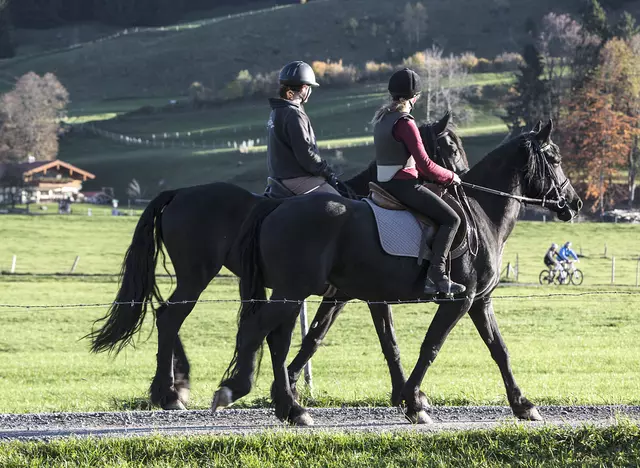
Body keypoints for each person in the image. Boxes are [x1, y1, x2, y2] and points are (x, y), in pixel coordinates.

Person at [372, 68, 465, 295]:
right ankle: (437, 276)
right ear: (416, 97)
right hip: (403, 186)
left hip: (382, 185)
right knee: (452, 220)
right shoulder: (405, 123)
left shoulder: (381, 119)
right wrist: (451, 176)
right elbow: (425, 165)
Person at [266, 61, 339, 195]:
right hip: (296, 177)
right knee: (342, 205)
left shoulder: (276, 111)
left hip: (278, 177)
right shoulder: (294, 114)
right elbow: (306, 153)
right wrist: (325, 170)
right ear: (304, 88)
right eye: (308, 88)